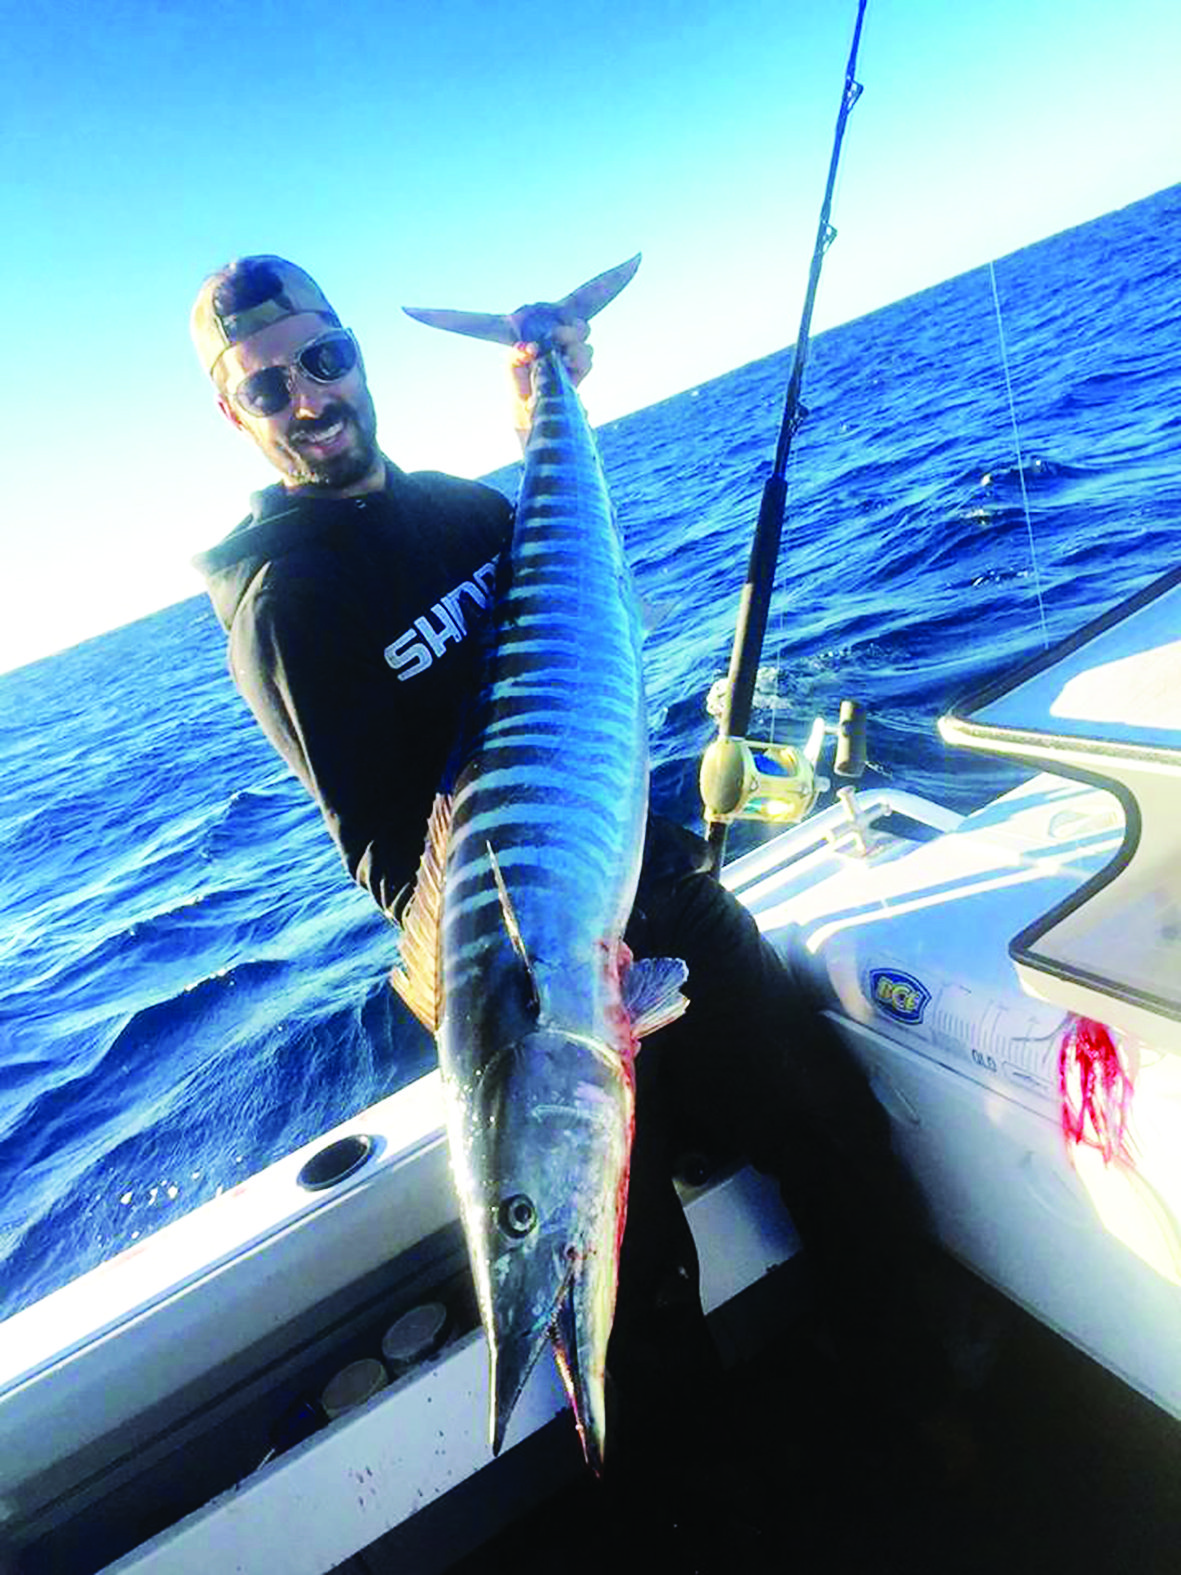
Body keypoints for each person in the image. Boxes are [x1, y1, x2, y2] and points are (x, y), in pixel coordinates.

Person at [191, 255, 962, 1565]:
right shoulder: (287, 605)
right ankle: (719, 1535)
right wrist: (538, 960)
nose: (309, 394)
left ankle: (932, 1429)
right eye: (270, 382)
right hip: (549, 983)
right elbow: (392, 862)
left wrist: (546, 392)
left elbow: (589, 610)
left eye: (324, 358)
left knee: (833, 1127)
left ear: (354, 359)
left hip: (653, 896)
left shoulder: (466, 510)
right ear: (235, 411)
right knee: (632, 1306)